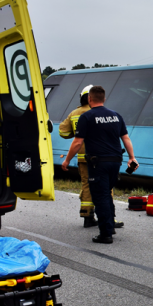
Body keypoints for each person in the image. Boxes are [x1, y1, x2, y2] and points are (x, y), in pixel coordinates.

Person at [61, 86, 138, 244]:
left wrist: (67, 160)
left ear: (89, 99)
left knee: (100, 196)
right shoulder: (116, 116)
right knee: (107, 193)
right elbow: (126, 138)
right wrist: (132, 157)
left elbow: (77, 142)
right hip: (116, 161)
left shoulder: (87, 116)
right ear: (104, 99)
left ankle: (105, 234)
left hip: (98, 163)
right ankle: (110, 226)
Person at [59, 85, 97, 227]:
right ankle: (109, 217)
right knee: (105, 186)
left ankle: (87, 216)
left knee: (87, 185)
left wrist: (76, 133)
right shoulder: (100, 112)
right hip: (100, 157)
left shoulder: (75, 113)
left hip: (82, 156)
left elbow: (62, 132)